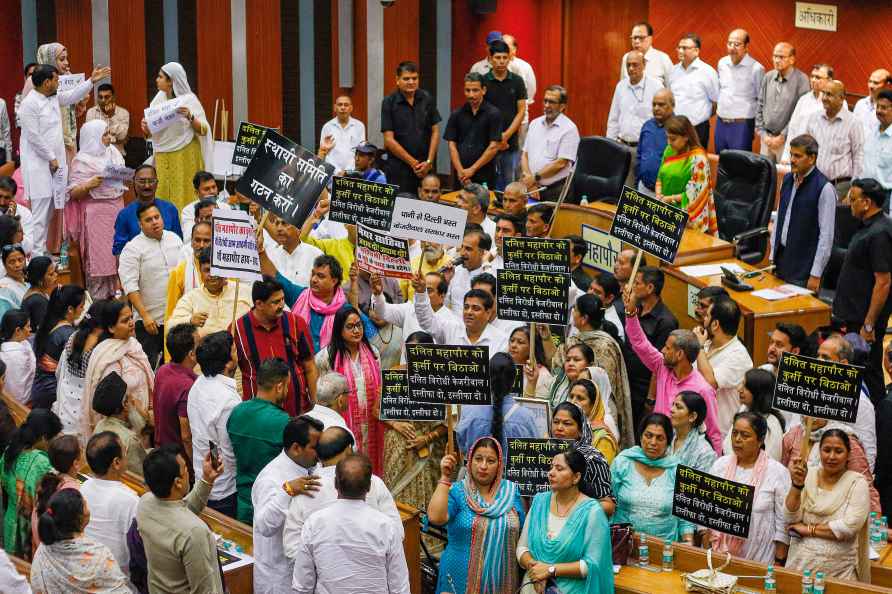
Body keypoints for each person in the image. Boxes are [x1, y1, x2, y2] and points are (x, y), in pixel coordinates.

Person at [20, 61, 109, 256]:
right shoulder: (29, 104)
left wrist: (90, 82)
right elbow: (33, 136)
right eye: (56, 80)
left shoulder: (51, 96)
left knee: (52, 212)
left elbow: (70, 97)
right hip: (40, 167)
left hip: (56, 166)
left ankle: (44, 255)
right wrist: (51, 158)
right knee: (40, 216)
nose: (58, 83)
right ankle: (36, 258)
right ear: (46, 83)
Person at [292, 454, 411, 594]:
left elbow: (302, 585)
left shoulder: (314, 524)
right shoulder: (386, 527)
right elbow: (400, 586)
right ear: (369, 487)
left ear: (335, 484)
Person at [282, 426, 401, 564]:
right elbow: (396, 532)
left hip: (323, 580)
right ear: (349, 449)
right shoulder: (373, 482)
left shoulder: (305, 489)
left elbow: (292, 549)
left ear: (319, 456)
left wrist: (323, 569)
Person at [624, 287, 722, 452]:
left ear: (679, 354)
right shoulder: (662, 366)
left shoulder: (703, 390)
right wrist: (631, 313)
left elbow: (713, 433)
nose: (662, 350)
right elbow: (640, 343)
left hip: (682, 454)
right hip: (654, 448)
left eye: (667, 348)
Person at [427, 436, 524, 594]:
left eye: (491, 461)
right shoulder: (458, 492)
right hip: (459, 578)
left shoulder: (511, 493)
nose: (483, 466)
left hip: (502, 581)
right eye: (478, 459)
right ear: (469, 461)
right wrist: (445, 477)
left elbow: (523, 532)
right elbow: (436, 517)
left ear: (499, 465)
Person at [517, 449, 614, 594]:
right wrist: (536, 570)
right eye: (551, 467)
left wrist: (550, 570)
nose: (551, 473)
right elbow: (522, 548)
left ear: (576, 477)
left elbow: (593, 564)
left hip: (571, 589)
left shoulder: (592, 512)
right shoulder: (539, 501)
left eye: (559, 469)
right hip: (533, 585)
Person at [833, 178, 892, 404]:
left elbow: (884, 281)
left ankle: (881, 417)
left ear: (867, 203)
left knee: (868, 369)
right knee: (859, 368)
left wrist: (869, 324)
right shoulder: (869, 226)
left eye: (853, 199)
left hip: (865, 317)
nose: (849, 204)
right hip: (855, 312)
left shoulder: (879, 233)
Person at [785, 429, 871, 582]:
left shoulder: (857, 483)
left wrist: (808, 529)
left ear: (848, 454)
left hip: (838, 574)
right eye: (826, 450)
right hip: (798, 568)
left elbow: (848, 527)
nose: (831, 456)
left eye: (838, 451)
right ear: (819, 452)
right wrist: (796, 485)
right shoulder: (807, 475)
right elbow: (790, 517)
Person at [137, 444, 224, 594]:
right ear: (178, 482)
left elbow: (180, 510)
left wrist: (207, 479)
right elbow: (204, 590)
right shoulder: (195, 532)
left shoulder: (145, 504)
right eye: (185, 469)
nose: (188, 472)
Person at [707, 412, 791, 564]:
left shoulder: (777, 472)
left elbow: (783, 523)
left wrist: (779, 561)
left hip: (759, 558)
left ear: (760, 440)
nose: (738, 439)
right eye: (735, 433)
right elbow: (706, 509)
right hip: (718, 555)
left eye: (745, 435)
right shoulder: (720, 465)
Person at [549, 294, 634, 446]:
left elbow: (608, 387)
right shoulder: (572, 342)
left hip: (597, 413)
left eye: (575, 310)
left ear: (584, 318)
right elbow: (556, 369)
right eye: (569, 359)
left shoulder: (605, 347)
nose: (572, 313)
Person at [252, 416, 323, 594]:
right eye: (315, 448)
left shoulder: (314, 467)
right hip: (279, 580)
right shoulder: (270, 478)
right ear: (296, 448)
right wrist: (288, 491)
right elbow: (264, 526)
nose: (320, 453)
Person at [232, 276, 317, 415]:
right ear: (259, 304)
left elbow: (310, 365)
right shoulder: (238, 330)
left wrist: (315, 405)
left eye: (283, 299)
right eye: (276, 302)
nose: (282, 305)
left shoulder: (296, 323)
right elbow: (230, 370)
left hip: (297, 412)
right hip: (257, 415)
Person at [315, 306, 384, 475]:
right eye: (350, 326)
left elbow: (380, 387)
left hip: (370, 422)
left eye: (359, 325)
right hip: (342, 423)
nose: (356, 330)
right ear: (339, 329)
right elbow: (321, 394)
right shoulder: (326, 357)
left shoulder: (373, 353)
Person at [227, 358, 293, 523]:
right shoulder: (284, 422)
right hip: (272, 504)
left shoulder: (236, 412)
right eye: (287, 386)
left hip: (244, 502)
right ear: (279, 387)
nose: (287, 392)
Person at [611, 413, 695, 543]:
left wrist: (688, 542)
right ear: (640, 436)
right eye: (648, 436)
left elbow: (685, 517)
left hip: (665, 548)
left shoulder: (677, 470)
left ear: (668, 441)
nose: (653, 443)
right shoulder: (623, 463)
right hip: (623, 544)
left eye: (660, 438)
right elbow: (609, 502)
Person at [119, 202, 184, 367]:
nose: (154, 222)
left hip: (177, 318)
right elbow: (130, 286)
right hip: (150, 323)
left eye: (157, 217)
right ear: (140, 224)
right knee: (151, 368)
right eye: (148, 220)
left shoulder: (175, 239)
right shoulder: (132, 249)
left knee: (176, 367)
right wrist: (145, 315)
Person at [66, 120, 126, 298]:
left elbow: (123, 175)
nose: (109, 138)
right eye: (104, 135)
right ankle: (99, 303)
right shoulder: (81, 160)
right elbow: (74, 193)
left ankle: (119, 298)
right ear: (92, 138)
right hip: (96, 213)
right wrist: (89, 184)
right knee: (99, 259)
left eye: (109, 133)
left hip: (117, 208)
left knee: (119, 256)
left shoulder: (113, 152)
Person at [141, 62, 212, 210]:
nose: (156, 80)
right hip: (163, 157)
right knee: (163, 196)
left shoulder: (189, 100)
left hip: (185, 156)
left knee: (185, 195)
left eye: (160, 77)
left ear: (171, 81)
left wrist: (190, 117)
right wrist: (145, 129)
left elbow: (204, 130)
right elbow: (151, 135)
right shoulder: (158, 100)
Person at [30, 488, 131, 592]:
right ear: (80, 518)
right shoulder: (99, 556)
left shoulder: (43, 549)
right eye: (85, 505)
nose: (88, 509)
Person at [772, 134, 836, 290]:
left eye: (798, 156)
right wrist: (772, 256)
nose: (792, 159)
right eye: (791, 154)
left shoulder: (824, 188)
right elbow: (780, 218)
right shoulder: (787, 180)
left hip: (804, 268)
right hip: (781, 260)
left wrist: (816, 274)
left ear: (812, 158)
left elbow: (826, 237)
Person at [187, 330, 240, 517]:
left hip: (203, 480)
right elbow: (229, 450)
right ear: (228, 363)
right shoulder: (228, 401)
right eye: (234, 351)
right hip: (223, 489)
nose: (237, 354)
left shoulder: (198, 385)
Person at [781, 416, 880, 514]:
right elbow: (780, 475)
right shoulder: (794, 435)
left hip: (834, 517)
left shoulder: (845, 439)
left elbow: (866, 486)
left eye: (819, 411)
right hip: (794, 511)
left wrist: (876, 522)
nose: (813, 417)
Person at [81, 431, 140, 586]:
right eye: (124, 451)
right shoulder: (130, 500)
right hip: (119, 580)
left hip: (88, 571)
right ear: (116, 463)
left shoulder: (84, 487)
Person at [1, 409, 62, 558]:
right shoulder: (42, 463)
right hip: (31, 526)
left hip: (10, 519)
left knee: (15, 565)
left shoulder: (10, 450)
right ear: (43, 438)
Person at [621, 265, 677, 425]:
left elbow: (661, 364)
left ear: (650, 287)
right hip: (628, 382)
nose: (632, 287)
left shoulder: (666, 322)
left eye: (637, 283)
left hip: (644, 389)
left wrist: (651, 399)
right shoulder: (635, 308)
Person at [456, 351, 539, 456]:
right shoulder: (526, 417)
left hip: (476, 472)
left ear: (487, 378)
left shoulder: (469, 411)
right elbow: (534, 453)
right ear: (514, 381)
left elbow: (462, 447)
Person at [166, 248, 252, 345]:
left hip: (241, 353)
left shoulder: (243, 291)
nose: (212, 275)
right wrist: (190, 320)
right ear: (200, 272)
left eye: (216, 270)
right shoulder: (191, 298)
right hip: (206, 357)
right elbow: (170, 326)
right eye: (207, 270)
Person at [693, 296, 752, 434]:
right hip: (697, 426)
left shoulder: (738, 356)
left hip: (719, 433)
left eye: (707, 316)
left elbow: (710, 383)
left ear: (715, 325)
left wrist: (699, 348)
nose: (704, 320)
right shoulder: (707, 343)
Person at [381, 61, 441, 195]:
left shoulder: (427, 98)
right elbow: (389, 140)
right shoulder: (389, 102)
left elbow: (435, 131)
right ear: (397, 80)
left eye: (414, 78)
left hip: (426, 167)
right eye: (406, 78)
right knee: (401, 209)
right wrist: (413, 163)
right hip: (399, 169)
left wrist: (429, 161)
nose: (411, 82)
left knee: (427, 209)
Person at [654, 114, 718, 235]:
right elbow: (660, 177)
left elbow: (695, 194)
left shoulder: (698, 159)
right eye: (667, 138)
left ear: (686, 137)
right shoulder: (669, 150)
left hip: (687, 219)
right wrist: (659, 195)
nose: (669, 142)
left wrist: (669, 199)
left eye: (673, 139)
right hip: (664, 213)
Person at [607, 50, 662, 187]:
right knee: (620, 188)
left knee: (641, 189)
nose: (631, 69)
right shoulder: (621, 86)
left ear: (644, 65)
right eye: (628, 65)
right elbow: (613, 119)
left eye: (635, 65)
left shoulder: (656, 87)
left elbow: (662, 122)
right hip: (622, 147)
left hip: (645, 150)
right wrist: (610, 145)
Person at [550, 400, 616, 511]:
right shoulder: (543, 453)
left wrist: (577, 510)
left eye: (567, 423)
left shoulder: (593, 458)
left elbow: (609, 505)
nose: (559, 428)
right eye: (556, 422)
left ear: (581, 430)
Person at [54, 300, 106, 439]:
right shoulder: (100, 347)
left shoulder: (73, 336)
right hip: (86, 405)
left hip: (66, 406)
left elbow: (60, 371)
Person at [520, 85, 580, 201]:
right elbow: (525, 155)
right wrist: (530, 181)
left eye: (552, 102)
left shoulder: (569, 129)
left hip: (555, 191)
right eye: (545, 101)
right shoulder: (534, 123)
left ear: (562, 106)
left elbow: (561, 163)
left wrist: (534, 178)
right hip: (532, 188)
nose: (547, 105)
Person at [482, 39, 527, 191]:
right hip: (487, 142)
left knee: (509, 184)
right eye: (497, 58)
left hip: (510, 142)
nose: (501, 62)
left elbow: (521, 111)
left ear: (509, 58)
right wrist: (496, 139)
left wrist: (505, 136)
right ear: (490, 58)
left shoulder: (517, 81)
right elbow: (481, 112)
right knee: (488, 184)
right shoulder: (483, 82)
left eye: (504, 58)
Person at [30, 285, 86, 408]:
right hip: (53, 391)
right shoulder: (68, 334)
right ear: (70, 309)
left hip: (40, 385)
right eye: (81, 306)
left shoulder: (49, 323)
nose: (83, 310)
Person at [806, 80, 864, 198]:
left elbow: (859, 156)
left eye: (830, 94)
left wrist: (854, 188)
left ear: (841, 98)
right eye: (824, 93)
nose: (825, 98)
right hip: (814, 183)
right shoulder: (813, 118)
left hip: (840, 187)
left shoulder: (853, 123)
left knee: (835, 217)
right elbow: (806, 150)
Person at [756, 42, 810, 163]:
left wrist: (782, 136)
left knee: (783, 178)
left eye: (781, 57)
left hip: (787, 141)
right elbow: (759, 106)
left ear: (792, 59)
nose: (777, 60)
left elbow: (800, 114)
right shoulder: (768, 77)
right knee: (764, 176)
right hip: (766, 140)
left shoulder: (802, 80)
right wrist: (763, 134)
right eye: (775, 56)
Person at [445, 72, 501, 188]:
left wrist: (472, 169)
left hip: (484, 174)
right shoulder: (456, 114)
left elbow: (494, 146)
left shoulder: (494, 114)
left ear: (483, 90)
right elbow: (451, 145)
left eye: (475, 90)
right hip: (461, 175)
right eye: (468, 90)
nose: (471, 95)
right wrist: (460, 171)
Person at [112, 166, 183, 256]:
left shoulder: (170, 209)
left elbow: (178, 242)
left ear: (157, 183)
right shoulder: (125, 214)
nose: (147, 186)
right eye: (142, 181)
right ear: (134, 183)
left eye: (151, 181)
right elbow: (119, 251)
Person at [92, 368, 149, 476]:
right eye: (130, 396)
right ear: (125, 404)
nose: (133, 399)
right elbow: (141, 477)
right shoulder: (130, 440)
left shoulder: (99, 426)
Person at [715, 29, 764, 152]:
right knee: (720, 161)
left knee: (739, 164)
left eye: (737, 44)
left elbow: (761, 99)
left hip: (742, 125)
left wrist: (757, 126)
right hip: (721, 122)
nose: (732, 47)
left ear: (746, 47)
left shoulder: (756, 68)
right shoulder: (722, 63)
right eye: (729, 43)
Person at [30, 434, 82, 550]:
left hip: (41, 548)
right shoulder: (74, 491)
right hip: (59, 552)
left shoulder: (46, 481)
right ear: (76, 463)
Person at [723, 369, 787, 461]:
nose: (739, 389)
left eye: (745, 387)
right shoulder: (744, 409)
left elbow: (770, 461)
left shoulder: (772, 424)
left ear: (758, 392)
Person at [153, 323, 197, 453]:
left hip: (161, 448)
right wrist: (194, 465)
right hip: (178, 458)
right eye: (199, 344)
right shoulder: (188, 386)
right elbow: (186, 436)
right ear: (191, 354)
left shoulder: (163, 370)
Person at [668, 33, 718, 147]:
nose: (680, 51)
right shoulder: (673, 71)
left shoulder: (708, 72)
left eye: (684, 48)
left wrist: (701, 116)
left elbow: (716, 102)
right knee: (677, 162)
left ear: (696, 51)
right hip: (676, 128)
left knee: (697, 163)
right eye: (679, 47)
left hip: (698, 128)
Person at [782, 63, 835, 164]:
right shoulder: (804, 99)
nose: (813, 80)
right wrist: (786, 156)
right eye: (812, 76)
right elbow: (793, 128)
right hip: (798, 155)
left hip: (819, 159)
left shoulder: (836, 103)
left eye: (818, 77)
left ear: (829, 80)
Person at [163, 220, 211, 328]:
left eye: (206, 241)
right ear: (191, 242)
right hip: (190, 335)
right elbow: (171, 315)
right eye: (197, 240)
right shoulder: (179, 273)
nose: (201, 245)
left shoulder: (223, 272)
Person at [266, 212, 323, 287]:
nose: (279, 228)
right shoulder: (270, 256)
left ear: (299, 229)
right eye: (277, 223)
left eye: (284, 223)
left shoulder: (316, 255)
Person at [636, 88, 675, 192]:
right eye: (654, 104)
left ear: (672, 105)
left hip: (667, 194)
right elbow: (639, 155)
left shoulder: (680, 128)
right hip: (644, 188)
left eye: (661, 104)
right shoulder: (647, 126)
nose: (656, 108)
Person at [669, 391, 717, 472]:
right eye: (673, 405)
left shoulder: (705, 453)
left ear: (692, 416)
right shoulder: (665, 437)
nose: (671, 410)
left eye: (678, 407)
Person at [319, 95, 366, 174]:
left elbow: (360, 153)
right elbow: (323, 153)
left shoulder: (359, 126)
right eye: (340, 104)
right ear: (335, 108)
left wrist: (347, 172)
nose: (343, 107)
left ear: (351, 108)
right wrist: (337, 171)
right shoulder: (327, 127)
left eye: (346, 105)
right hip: (332, 173)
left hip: (352, 173)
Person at [621, 21, 674, 87]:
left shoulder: (663, 59)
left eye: (641, 38)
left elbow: (672, 88)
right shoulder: (626, 58)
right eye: (634, 38)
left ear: (650, 39)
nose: (637, 41)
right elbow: (622, 86)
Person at [508, 325, 553, 398]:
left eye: (520, 342)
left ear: (532, 347)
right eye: (512, 340)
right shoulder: (504, 367)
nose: (513, 345)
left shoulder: (543, 374)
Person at [0, 309, 34, 404]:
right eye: (28, 326)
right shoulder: (21, 353)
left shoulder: (22, 344)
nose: (30, 329)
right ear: (18, 330)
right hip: (22, 403)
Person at [862, 89, 892, 197]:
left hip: (886, 197)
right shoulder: (871, 133)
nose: (878, 111)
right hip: (865, 193)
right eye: (877, 106)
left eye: (883, 108)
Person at [86, 82, 130, 155]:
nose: (103, 100)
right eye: (100, 97)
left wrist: (111, 116)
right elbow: (90, 137)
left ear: (113, 97)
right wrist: (114, 139)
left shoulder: (123, 113)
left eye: (107, 97)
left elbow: (122, 136)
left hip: (117, 155)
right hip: (96, 155)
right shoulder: (91, 112)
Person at [179, 171, 225, 240]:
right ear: (197, 193)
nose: (212, 191)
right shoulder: (188, 211)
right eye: (207, 189)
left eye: (214, 187)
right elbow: (188, 239)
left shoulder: (225, 207)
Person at [853, 69, 892, 137]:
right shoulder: (860, 104)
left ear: (887, 85)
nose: (871, 86)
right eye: (870, 81)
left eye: (876, 83)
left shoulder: (889, 109)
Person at [0, 177, 34, 256]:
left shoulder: (25, 213)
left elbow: (28, 248)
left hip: (16, 259)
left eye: (7, 198)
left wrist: (12, 222)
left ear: (14, 197)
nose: (2, 202)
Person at [20, 257, 56, 331]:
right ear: (40, 280)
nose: (56, 275)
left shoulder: (37, 292)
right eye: (51, 274)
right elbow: (45, 331)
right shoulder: (37, 301)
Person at [0, 244, 27, 319]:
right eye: (12, 262)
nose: (17, 265)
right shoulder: (3, 288)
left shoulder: (28, 282)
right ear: (4, 265)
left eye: (20, 260)